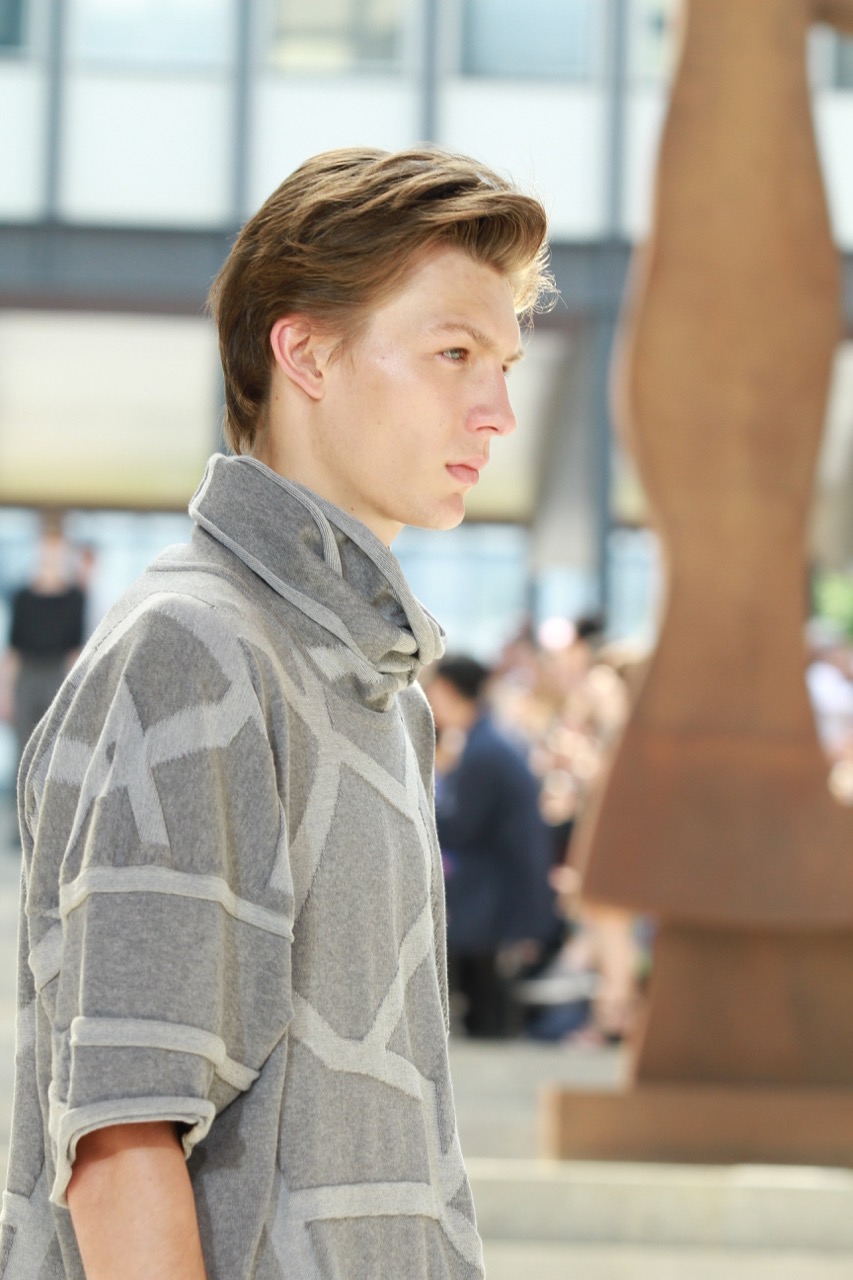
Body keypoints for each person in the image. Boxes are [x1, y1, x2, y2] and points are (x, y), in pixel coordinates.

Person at [0, 147, 550, 1279]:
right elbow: (121, 1137)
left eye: (503, 364)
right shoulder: (192, 652)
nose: (496, 411)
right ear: (303, 352)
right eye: (453, 353)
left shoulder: (376, 687)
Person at [427, 655, 559, 1038]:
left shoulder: (483, 751)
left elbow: (459, 826)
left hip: (493, 892)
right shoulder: (487, 742)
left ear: (447, 691)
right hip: (500, 886)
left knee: (487, 1009)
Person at [4, 523, 85, 774]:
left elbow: (75, 652)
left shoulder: (75, 598)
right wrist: (5, 692)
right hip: (27, 676)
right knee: (23, 747)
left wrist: (76, 692)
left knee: (53, 747)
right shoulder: (22, 597)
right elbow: (13, 650)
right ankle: (22, 800)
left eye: (57, 550)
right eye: (47, 549)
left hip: (57, 675)